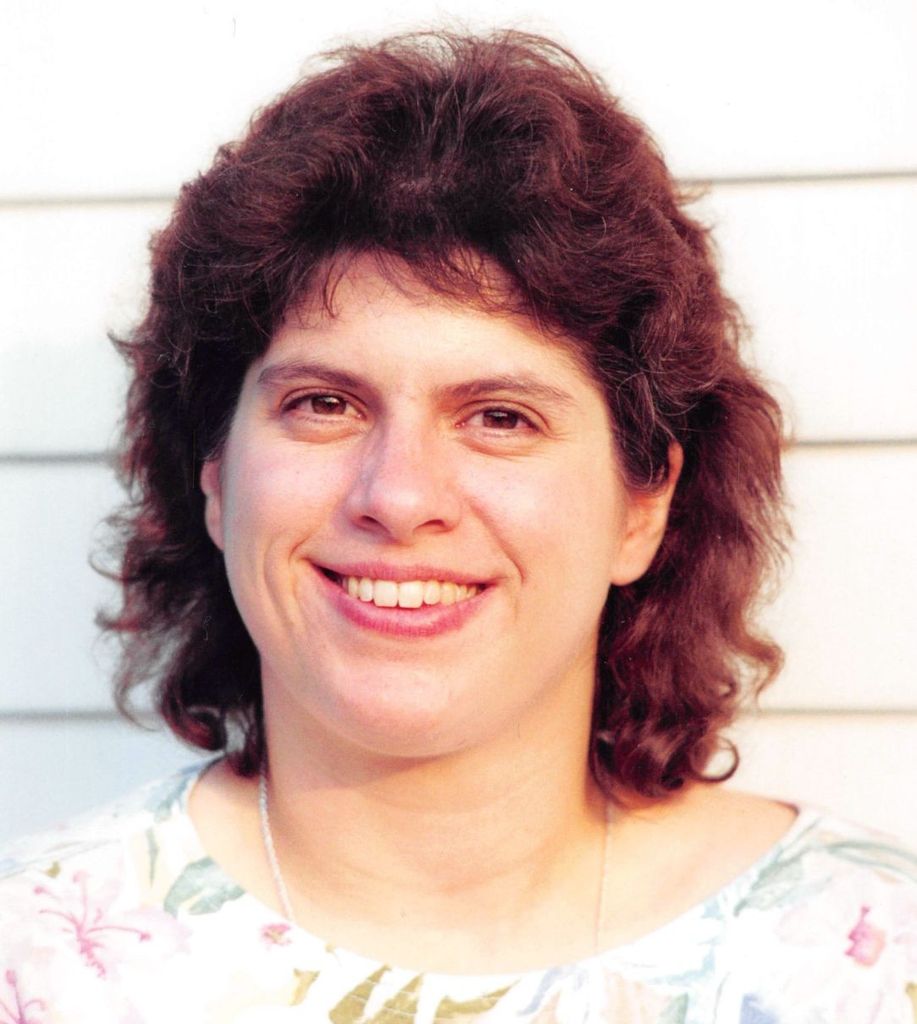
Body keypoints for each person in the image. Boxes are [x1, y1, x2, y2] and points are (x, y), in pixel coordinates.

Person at [1, 29, 915, 1023]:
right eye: (323, 403)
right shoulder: (35, 963)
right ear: (214, 477)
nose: (398, 496)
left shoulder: (865, 968)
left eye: (500, 417)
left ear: (641, 507)